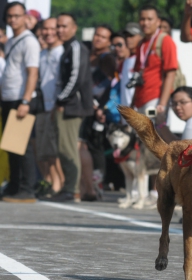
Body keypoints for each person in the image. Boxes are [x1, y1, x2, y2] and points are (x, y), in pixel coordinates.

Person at [44, 12, 93, 202]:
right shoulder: (67, 48)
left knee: (68, 149)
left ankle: (72, 190)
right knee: (62, 148)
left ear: (74, 28)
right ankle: (69, 187)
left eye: (64, 26)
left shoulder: (76, 47)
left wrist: (60, 100)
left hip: (73, 106)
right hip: (67, 104)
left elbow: (76, 78)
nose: (60, 30)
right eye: (58, 26)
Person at [1, 2, 40, 203]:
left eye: (16, 16)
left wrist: (25, 100)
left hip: (21, 99)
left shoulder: (29, 41)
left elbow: (33, 73)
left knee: (21, 147)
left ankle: (27, 189)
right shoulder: (10, 41)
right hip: (8, 98)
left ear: (25, 17)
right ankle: (14, 186)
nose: (13, 20)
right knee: (11, 145)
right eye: (9, 16)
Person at [79, 24, 115, 201]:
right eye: (97, 35)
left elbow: (108, 86)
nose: (98, 39)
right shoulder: (85, 52)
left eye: (103, 37)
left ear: (109, 41)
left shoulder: (108, 59)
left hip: (97, 108)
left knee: (95, 146)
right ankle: (86, 184)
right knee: (84, 144)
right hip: (82, 106)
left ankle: (97, 183)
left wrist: (100, 106)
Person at [34, 17, 65, 198]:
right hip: (43, 106)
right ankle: (54, 183)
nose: (49, 32)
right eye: (45, 29)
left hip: (57, 107)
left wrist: (58, 104)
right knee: (45, 150)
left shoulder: (62, 52)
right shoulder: (42, 54)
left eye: (53, 29)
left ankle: (59, 184)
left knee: (54, 150)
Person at [133, 5, 177, 121]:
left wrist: (162, 104)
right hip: (140, 99)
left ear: (158, 22)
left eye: (149, 19)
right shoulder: (141, 43)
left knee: (153, 135)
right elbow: (138, 74)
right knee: (141, 136)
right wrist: (133, 102)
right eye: (142, 19)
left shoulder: (165, 40)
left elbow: (170, 74)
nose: (145, 23)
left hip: (155, 99)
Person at [120, 23, 142, 107]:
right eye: (126, 36)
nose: (128, 39)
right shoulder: (125, 61)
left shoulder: (143, 59)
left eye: (131, 36)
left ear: (141, 37)